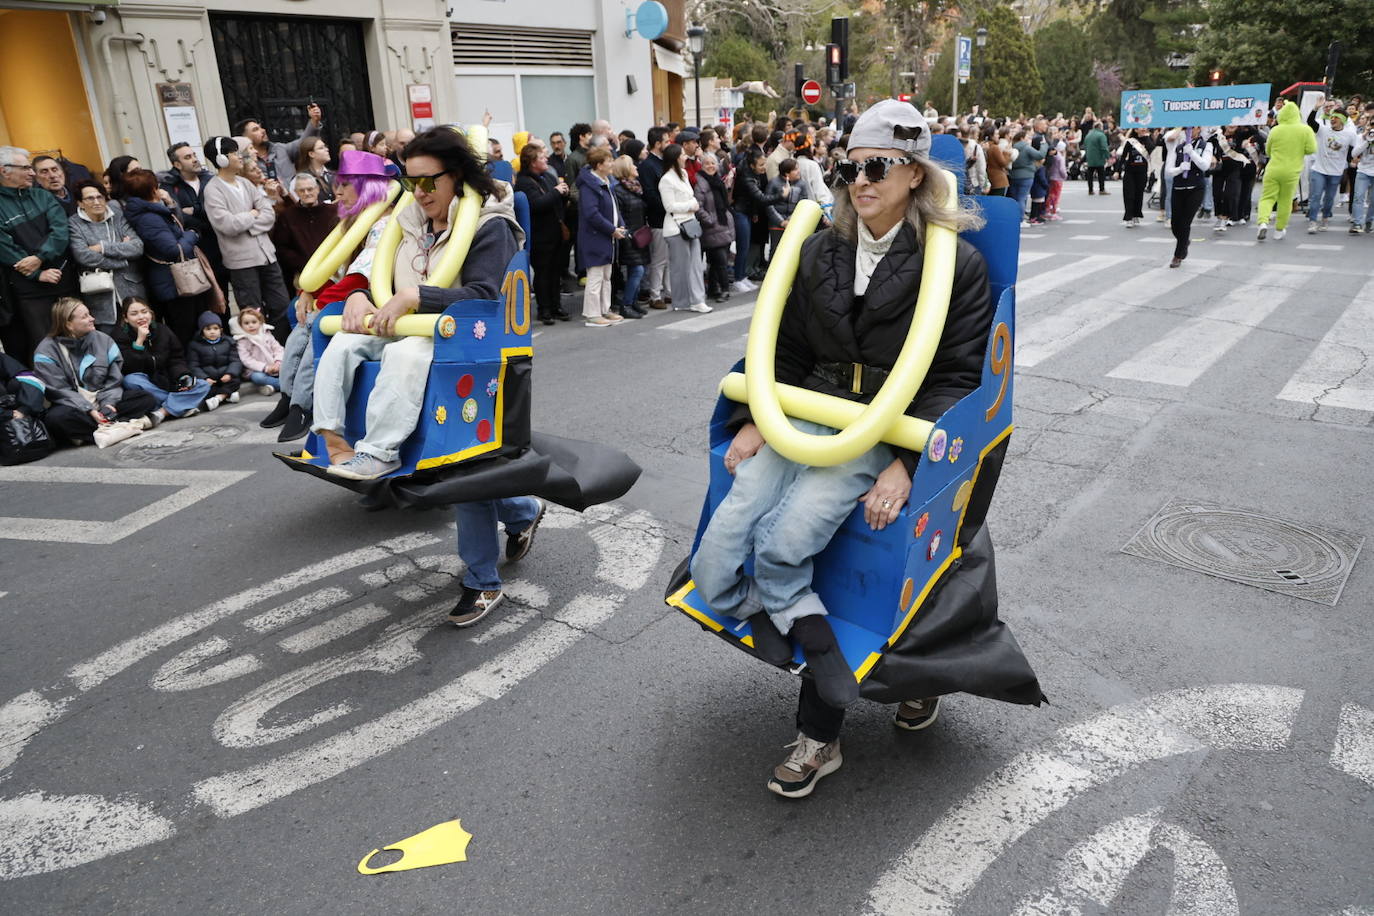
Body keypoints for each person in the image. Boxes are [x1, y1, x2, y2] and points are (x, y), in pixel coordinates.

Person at [689, 100, 990, 798]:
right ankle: (780, 615)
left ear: (915, 174)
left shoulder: (958, 265)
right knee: (713, 556)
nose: (859, 179)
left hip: (881, 425)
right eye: (849, 165)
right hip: (804, 410)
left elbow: (957, 377)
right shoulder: (821, 246)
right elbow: (784, 347)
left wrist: (908, 462)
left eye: (877, 166)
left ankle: (819, 718)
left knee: (787, 539)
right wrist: (757, 413)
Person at [311, 126, 524, 480]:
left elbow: (486, 296)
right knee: (344, 343)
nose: (420, 193)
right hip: (406, 324)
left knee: (405, 354)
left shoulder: (490, 225)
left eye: (428, 182)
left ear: (456, 176)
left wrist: (417, 297)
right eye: (411, 184)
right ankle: (334, 442)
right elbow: (380, 277)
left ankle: (379, 453)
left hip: (456, 334)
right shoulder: (408, 223)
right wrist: (359, 295)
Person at [268, 149, 397, 441]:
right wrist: (306, 292)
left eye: (346, 184)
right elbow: (333, 268)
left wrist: (319, 301)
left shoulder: (383, 222)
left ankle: (304, 404)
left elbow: (360, 275)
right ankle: (288, 397)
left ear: (367, 185)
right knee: (299, 321)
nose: (337, 191)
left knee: (317, 323)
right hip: (348, 294)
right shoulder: (352, 221)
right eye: (337, 183)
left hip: (372, 300)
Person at [32, 297, 162, 443]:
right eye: (85, 316)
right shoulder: (45, 351)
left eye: (89, 314)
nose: (92, 319)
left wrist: (108, 404)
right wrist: (89, 410)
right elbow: (59, 390)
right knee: (56, 419)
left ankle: (95, 430)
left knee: (145, 398)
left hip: (104, 402)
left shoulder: (103, 340)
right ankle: (116, 426)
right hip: (74, 406)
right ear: (68, 324)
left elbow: (114, 381)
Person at [203, 136, 290, 342]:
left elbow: (268, 214)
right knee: (251, 312)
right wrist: (251, 215)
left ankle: (280, 349)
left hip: (267, 255)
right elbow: (227, 225)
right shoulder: (213, 189)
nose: (239, 156)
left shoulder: (245, 183)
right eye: (234, 153)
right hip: (241, 262)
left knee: (281, 304)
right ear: (221, 159)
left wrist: (250, 222)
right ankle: (258, 354)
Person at [0, 145, 78, 358]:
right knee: (44, 347)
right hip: (30, 291)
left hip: (64, 281)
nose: (32, 173)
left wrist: (39, 257)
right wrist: (37, 272)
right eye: (25, 168)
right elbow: (5, 248)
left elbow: (60, 232)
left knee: (76, 340)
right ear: (4, 171)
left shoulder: (42, 196)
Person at [122, 168, 209, 348]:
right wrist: (192, 235)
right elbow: (172, 250)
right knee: (184, 330)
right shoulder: (148, 218)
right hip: (173, 282)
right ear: (153, 189)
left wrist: (169, 204)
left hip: (174, 280)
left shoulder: (151, 211)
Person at [111, 295, 209, 418]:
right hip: (147, 385)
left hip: (168, 380)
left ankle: (162, 412)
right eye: (134, 314)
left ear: (150, 313)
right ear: (125, 318)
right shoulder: (119, 336)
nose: (141, 317)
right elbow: (129, 368)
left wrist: (182, 376)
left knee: (203, 385)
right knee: (130, 380)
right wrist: (139, 342)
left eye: (144, 312)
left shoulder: (162, 330)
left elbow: (176, 359)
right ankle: (180, 405)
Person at [68, 180, 145, 333]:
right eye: (90, 198)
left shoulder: (117, 217)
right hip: (100, 296)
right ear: (80, 203)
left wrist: (102, 247)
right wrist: (122, 258)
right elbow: (83, 256)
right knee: (109, 340)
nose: (97, 202)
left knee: (140, 335)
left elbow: (137, 247)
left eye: (100, 197)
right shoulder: (74, 223)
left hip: (131, 289)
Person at [513, 141, 570, 325]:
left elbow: (557, 201)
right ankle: (544, 310)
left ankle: (556, 306)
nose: (546, 159)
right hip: (540, 237)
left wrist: (564, 193)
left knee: (556, 273)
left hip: (555, 234)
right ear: (531, 162)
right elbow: (536, 205)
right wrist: (555, 192)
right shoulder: (523, 182)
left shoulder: (547, 177)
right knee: (543, 274)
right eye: (541, 157)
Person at [160, 142, 226, 289]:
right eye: (188, 157)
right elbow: (178, 217)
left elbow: (217, 210)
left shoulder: (209, 180)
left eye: (194, 155)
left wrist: (195, 210)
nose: (195, 159)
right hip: (194, 248)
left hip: (219, 244)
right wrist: (205, 219)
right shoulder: (169, 185)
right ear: (177, 164)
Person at [576, 147, 626, 328]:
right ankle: (592, 314)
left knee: (606, 275)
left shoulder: (604, 180)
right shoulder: (590, 186)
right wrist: (612, 229)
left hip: (606, 236)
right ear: (599, 165)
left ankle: (604, 309)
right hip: (595, 237)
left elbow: (614, 207)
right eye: (609, 161)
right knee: (596, 276)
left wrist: (619, 224)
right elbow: (592, 214)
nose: (612, 163)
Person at [658, 143, 710, 315]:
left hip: (690, 224)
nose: (685, 157)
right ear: (674, 158)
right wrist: (691, 205)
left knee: (695, 264)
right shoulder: (666, 180)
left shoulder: (684, 174)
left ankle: (697, 300)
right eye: (682, 154)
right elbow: (669, 206)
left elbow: (690, 197)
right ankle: (682, 301)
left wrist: (692, 205)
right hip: (676, 228)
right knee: (680, 267)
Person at [1256, 102, 1316, 241]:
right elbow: (1312, 149)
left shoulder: (1276, 130)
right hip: (1292, 171)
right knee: (1285, 200)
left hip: (1273, 168)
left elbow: (1268, 150)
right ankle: (1279, 229)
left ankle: (1263, 222)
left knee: (1267, 198)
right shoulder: (1305, 130)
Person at [271, 173, 339, 290]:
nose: (307, 193)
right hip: (303, 273)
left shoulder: (334, 212)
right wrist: (302, 264)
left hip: (334, 269)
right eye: (302, 190)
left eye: (310, 189)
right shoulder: (288, 216)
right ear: (296, 193)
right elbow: (282, 247)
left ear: (317, 189)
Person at [234, 104, 323, 186]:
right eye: (255, 129)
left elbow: (304, 143)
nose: (263, 130)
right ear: (244, 138)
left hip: (296, 199)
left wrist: (314, 121)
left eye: (261, 127)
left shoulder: (280, 148)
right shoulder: (245, 162)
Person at [1164, 127, 1214, 267]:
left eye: (1194, 127)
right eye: (1187, 128)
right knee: (1175, 224)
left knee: (1185, 223)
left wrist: (1191, 153)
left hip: (1195, 188)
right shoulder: (1178, 146)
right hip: (1178, 188)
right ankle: (1184, 241)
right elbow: (1169, 170)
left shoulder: (1206, 145)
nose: (1190, 130)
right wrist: (1180, 169)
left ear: (1199, 129)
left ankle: (1178, 255)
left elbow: (1204, 165)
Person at [1306, 101, 1357, 234]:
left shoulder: (1349, 134)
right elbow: (1310, 121)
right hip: (1319, 169)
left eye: (1336, 118)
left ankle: (1325, 218)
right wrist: (1315, 107)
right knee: (1316, 196)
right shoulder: (1323, 130)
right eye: (1332, 117)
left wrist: (1354, 160)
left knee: (1329, 199)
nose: (1333, 119)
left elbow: (1353, 150)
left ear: (1343, 121)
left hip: (1336, 172)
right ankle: (1312, 221)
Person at [694, 151, 736, 305]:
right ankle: (724, 289)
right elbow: (698, 206)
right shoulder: (701, 183)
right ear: (702, 166)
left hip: (723, 223)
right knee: (720, 260)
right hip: (711, 226)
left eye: (713, 163)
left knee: (716, 259)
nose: (711, 166)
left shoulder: (717, 180)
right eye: (707, 164)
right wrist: (709, 220)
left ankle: (713, 288)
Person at [637, 127, 672, 309]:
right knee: (659, 259)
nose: (669, 144)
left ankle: (668, 292)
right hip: (658, 218)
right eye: (666, 141)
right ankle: (655, 295)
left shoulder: (662, 162)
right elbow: (650, 195)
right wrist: (669, 207)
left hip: (667, 217)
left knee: (667, 259)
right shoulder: (648, 166)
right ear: (658, 144)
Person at [610, 156, 649, 319]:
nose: (636, 167)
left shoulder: (636, 187)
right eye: (632, 165)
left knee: (639, 269)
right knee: (637, 270)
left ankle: (633, 302)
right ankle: (626, 304)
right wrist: (626, 233)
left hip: (639, 233)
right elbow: (619, 214)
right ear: (626, 169)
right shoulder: (618, 190)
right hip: (628, 235)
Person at [734, 151, 780, 283]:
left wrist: (754, 212)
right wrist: (781, 195)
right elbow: (760, 198)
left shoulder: (755, 175)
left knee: (746, 246)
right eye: (761, 165)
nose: (764, 167)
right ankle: (739, 278)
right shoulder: (747, 178)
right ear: (752, 165)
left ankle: (742, 277)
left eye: (764, 164)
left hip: (747, 212)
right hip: (740, 212)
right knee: (742, 247)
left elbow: (753, 198)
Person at [186, 310, 241, 409]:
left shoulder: (228, 342)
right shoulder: (195, 345)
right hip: (209, 379)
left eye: (215, 328)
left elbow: (235, 360)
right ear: (202, 331)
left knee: (235, 381)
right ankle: (227, 395)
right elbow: (193, 365)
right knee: (203, 388)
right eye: (208, 329)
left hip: (225, 377)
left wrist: (229, 373)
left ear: (221, 330)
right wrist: (205, 378)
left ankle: (218, 398)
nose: (212, 331)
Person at [234, 306, 284, 394]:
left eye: (254, 322)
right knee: (258, 378)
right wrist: (265, 367)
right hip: (257, 370)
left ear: (260, 322)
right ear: (241, 325)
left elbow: (278, 349)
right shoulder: (242, 341)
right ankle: (283, 386)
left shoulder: (266, 334)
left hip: (275, 365)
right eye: (246, 323)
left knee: (288, 368)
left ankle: (271, 387)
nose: (251, 325)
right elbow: (247, 360)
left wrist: (278, 362)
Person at [765, 157, 807, 253]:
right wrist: (781, 222)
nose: (798, 171)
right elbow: (768, 205)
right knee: (776, 250)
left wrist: (790, 220)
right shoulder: (774, 183)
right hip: (776, 223)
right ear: (787, 173)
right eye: (795, 169)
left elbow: (803, 203)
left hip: (793, 222)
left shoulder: (802, 184)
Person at [1116, 128, 1151, 227]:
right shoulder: (1130, 142)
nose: (1143, 129)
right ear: (1136, 130)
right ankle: (1128, 217)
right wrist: (1117, 171)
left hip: (1142, 172)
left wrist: (1146, 137)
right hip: (1130, 171)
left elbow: (1152, 148)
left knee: (1139, 194)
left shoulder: (1147, 140)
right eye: (1141, 127)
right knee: (1129, 194)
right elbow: (1123, 157)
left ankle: (1136, 214)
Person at [294, 136, 336, 203]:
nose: (327, 149)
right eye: (321, 148)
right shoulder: (300, 179)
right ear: (311, 154)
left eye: (325, 146)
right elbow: (300, 205)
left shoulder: (333, 175)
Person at [1352, 121, 1374, 234]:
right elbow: (1354, 153)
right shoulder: (1361, 137)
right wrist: (1367, 141)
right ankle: (1357, 223)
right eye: (1371, 125)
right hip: (1363, 171)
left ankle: (1369, 221)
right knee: (1358, 197)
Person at [1082, 120, 1109, 194]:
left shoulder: (1088, 135)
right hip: (1099, 157)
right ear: (1100, 127)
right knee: (1101, 173)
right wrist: (1107, 156)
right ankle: (1101, 189)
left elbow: (1085, 146)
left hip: (1090, 157)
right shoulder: (1101, 135)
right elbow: (1104, 147)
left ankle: (1090, 190)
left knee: (1090, 174)